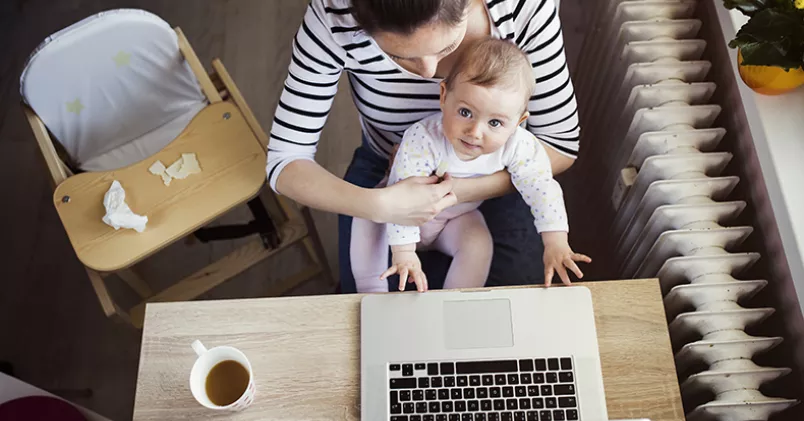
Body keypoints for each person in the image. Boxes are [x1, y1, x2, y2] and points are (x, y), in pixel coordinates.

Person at [266, 0, 581, 292]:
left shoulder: (522, 8)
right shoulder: (334, 16)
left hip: (497, 178)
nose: (429, 72)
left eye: (447, 47)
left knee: (507, 299)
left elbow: (559, 146)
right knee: (369, 303)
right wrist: (380, 205)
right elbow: (285, 160)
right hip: (386, 174)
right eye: (399, 56)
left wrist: (456, 190)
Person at [351, 38, 590, 292]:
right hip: (398, 213)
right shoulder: (424, 138)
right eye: (465, 112)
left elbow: (542, 188)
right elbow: (402, 196)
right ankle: (370, 291)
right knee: (367, 216)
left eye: (495, 123)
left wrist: (555, 242)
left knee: (477, 243)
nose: (475, 132)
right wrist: (405, 252)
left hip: (453, 219)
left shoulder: (519, 145)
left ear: (518, 122)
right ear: (444, 96)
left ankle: (457, 299)